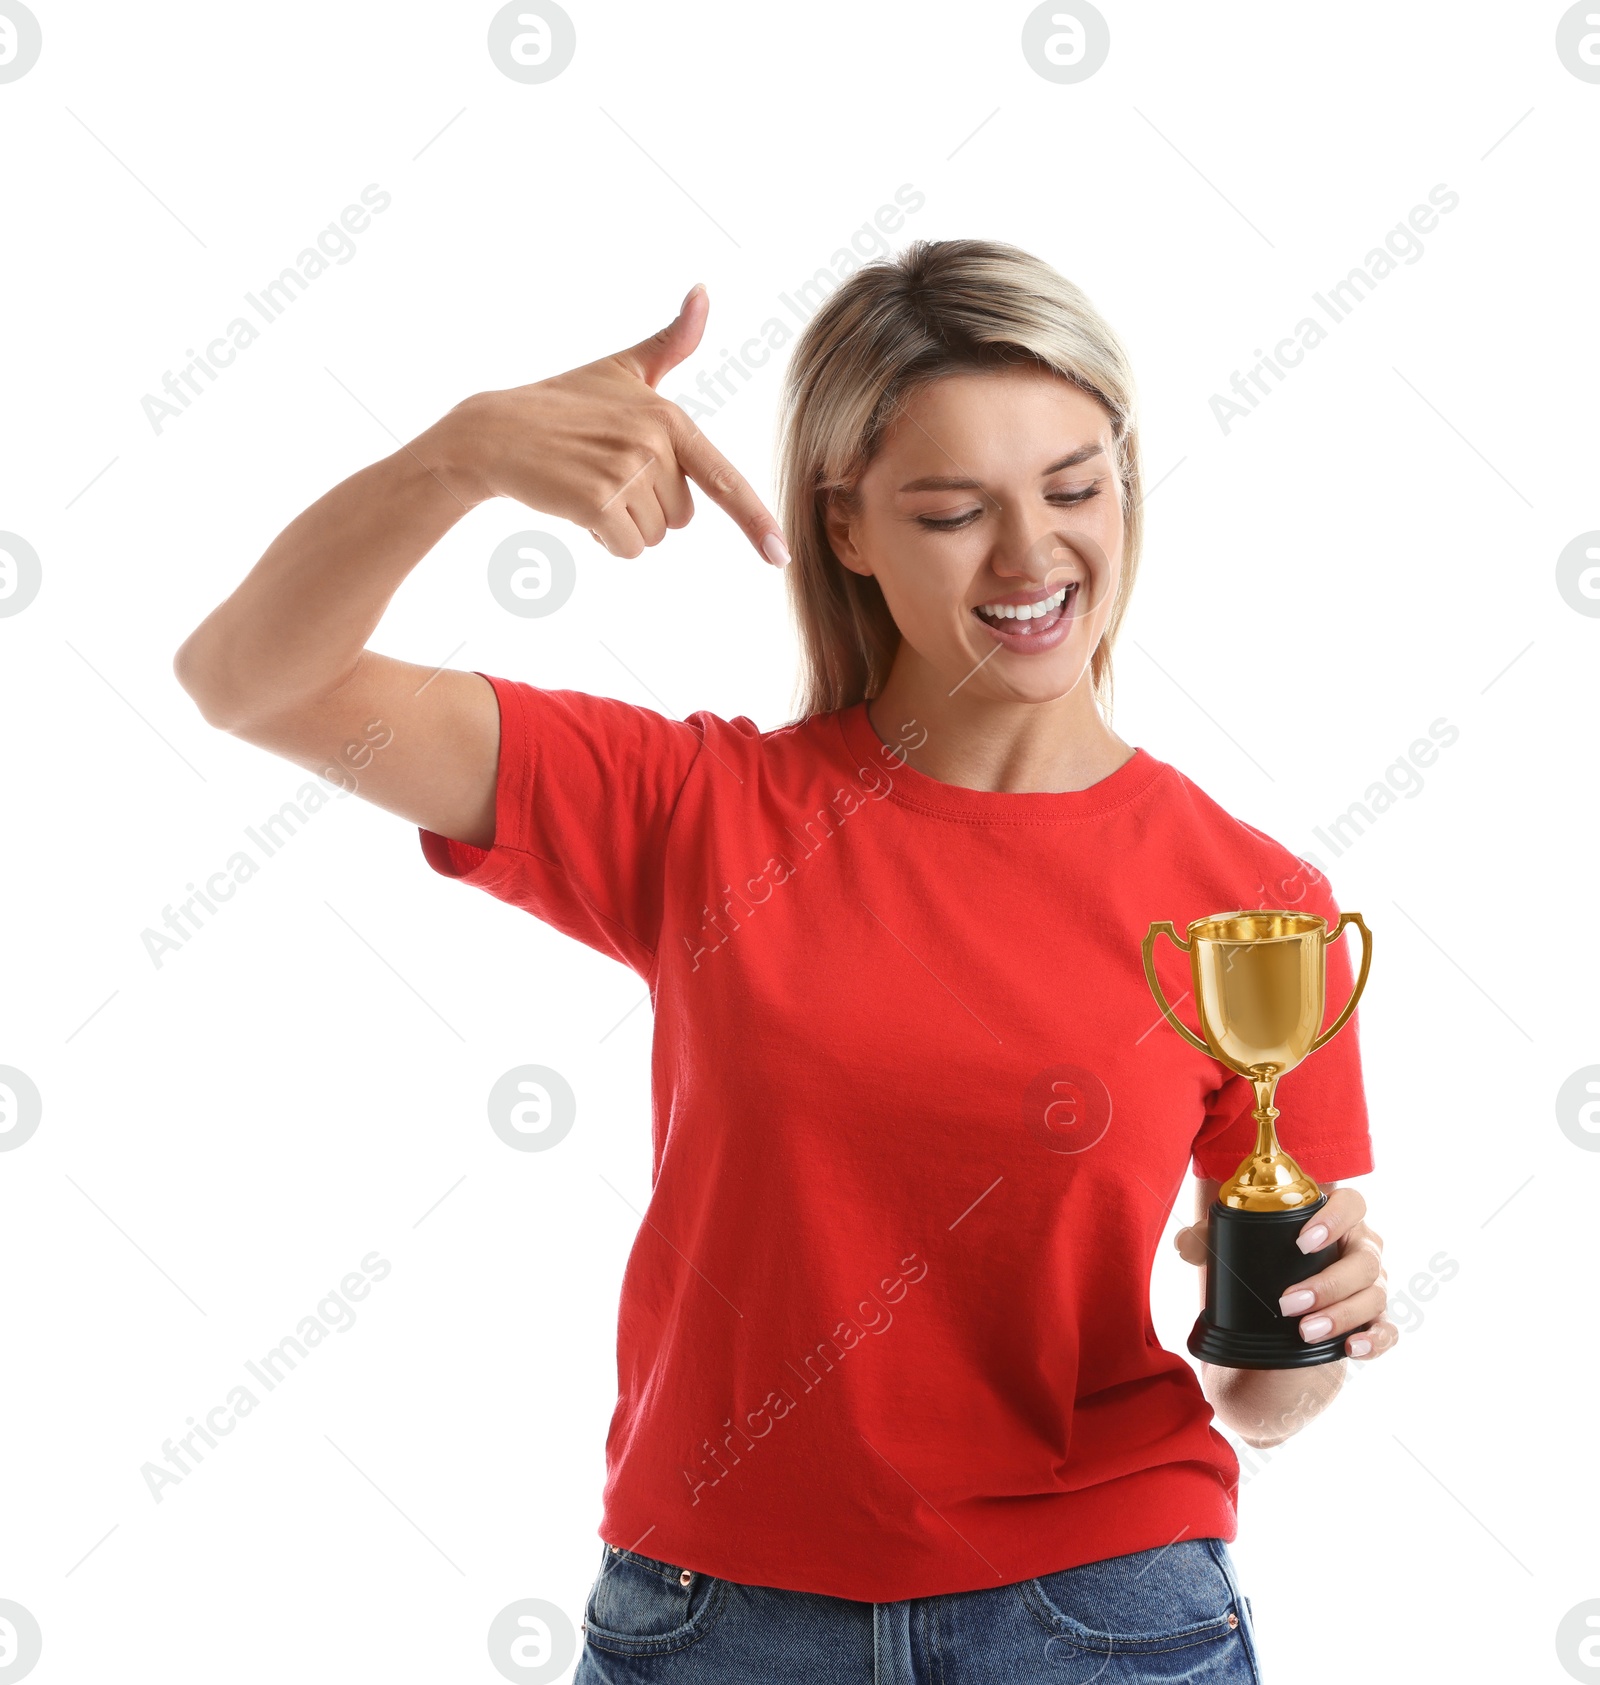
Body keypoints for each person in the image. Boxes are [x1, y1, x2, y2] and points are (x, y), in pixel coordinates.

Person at [174, 239, 1395, 1683]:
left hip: (1103, 1618)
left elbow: (1257, 1395)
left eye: (1075, 487)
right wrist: (464, 456)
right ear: (852, 527)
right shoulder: (696, 811)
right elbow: (251, 678)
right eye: (953, 511)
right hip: (717, 1623)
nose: (1031, 557)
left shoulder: (1254, 902)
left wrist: (1317, 1326)